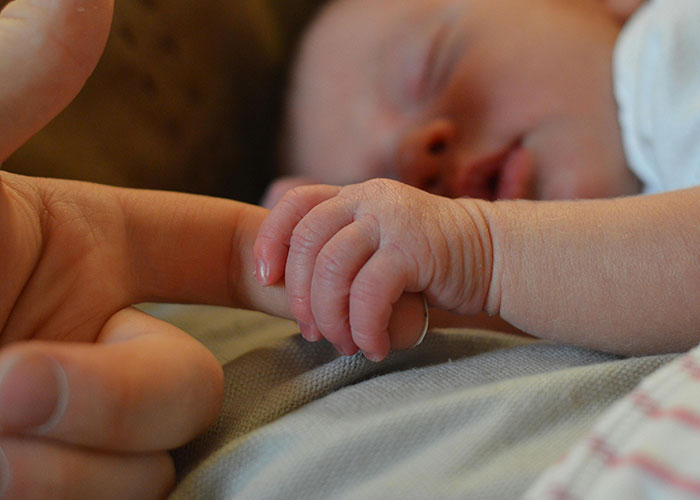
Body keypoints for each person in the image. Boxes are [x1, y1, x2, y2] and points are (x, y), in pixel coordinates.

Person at [254, 0, 700, 362]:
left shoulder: (666, 46)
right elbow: (587, 287)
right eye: (383, 187)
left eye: (432, 67)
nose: (413, 156)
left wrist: (481, 251)